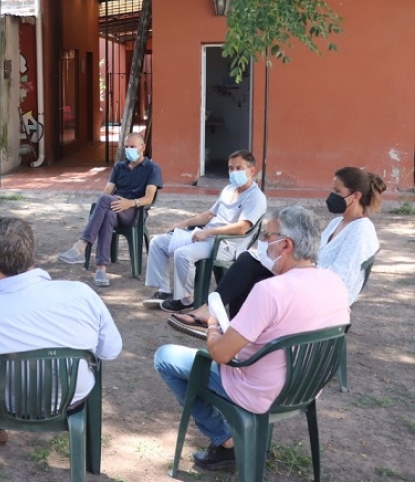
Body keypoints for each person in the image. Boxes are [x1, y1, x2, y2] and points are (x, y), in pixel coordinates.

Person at [154, 206, 350, 471]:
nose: (264, 244)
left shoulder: (270, 290)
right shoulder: (335, 284)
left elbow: (221, 354)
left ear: (286, 245)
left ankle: (226, 442)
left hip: (258, 390)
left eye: (268, 237)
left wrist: (213, 325)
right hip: (307, 388)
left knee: (165, 357)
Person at [0, 216, 122, 415]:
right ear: (31, 253)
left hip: (6, 402)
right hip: (72, 397)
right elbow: (110, 351)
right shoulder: (82, 294)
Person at [169, 166, 383, 338]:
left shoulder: (361, 230)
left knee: (249, 268)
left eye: (337, 192)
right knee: (249, 268)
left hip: (322, 294)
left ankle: (227, 327)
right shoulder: (338, 222)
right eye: (332, 190)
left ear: (355, 196)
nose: (331, 196)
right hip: (307, 281)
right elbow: (315, 256)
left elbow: (341, 280)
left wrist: (297, 271)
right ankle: (235, 331)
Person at [143, 149, 267, 312]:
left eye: (239, 168)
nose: (234, 172)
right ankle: (163, 291)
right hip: (206, 237)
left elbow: (243, 227)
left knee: (183, 254)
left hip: (226, 243)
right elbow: (209, 214)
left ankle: (186, 299)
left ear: (251, 170)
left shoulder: (255, 197)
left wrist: (208, 233)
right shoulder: (229, 189)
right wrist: (184, 223)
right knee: (158, 242)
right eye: (231, 168)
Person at [57, 132, 162, 287]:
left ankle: (82, 245)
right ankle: (101, 269)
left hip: (134, 212)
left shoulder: (152, 168)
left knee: (105, 201)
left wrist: (130, 203)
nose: (129, 150)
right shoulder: (120, 167)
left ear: (142, 147)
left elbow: (148, 198)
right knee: (108, 214)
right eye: (126, 147)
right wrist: (106, 204)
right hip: (115, 207)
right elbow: (107, 191)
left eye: (132, 147)